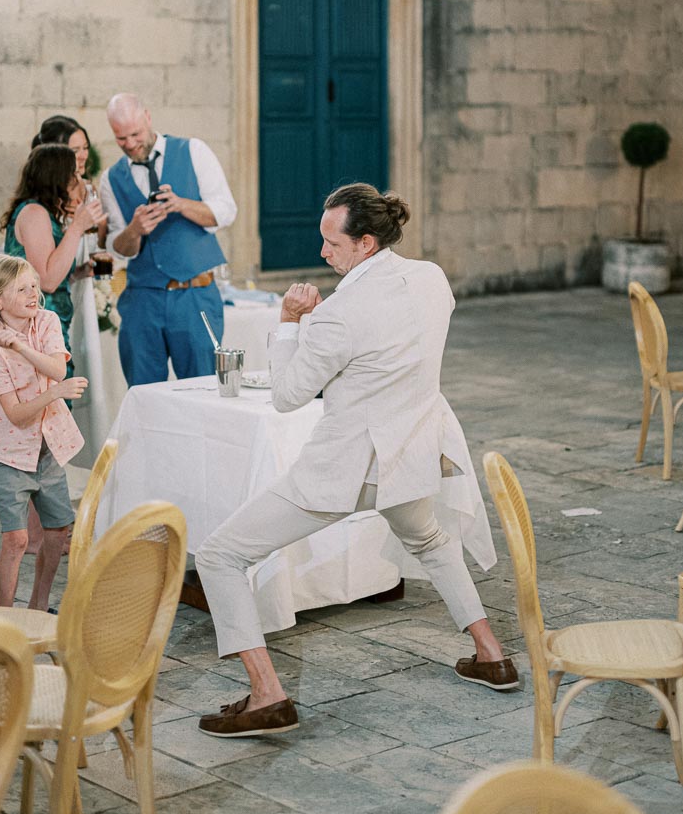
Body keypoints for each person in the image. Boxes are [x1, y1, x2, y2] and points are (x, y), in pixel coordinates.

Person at [195, 182, 517, 739]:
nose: (322, 253)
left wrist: (291, 320)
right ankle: (491, 654)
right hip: (410, 454)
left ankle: (267, 695)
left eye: (332, 243)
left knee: (219, 555)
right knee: (432, 542)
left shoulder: (340, 313)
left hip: (347, 469)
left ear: (365, 243)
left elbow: (289, 395)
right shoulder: (432, 279)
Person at [97, 93, 237, 386]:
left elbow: (226, 211)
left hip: (195, 296)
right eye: (121, 138)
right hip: (142, 300)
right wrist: (134, 229)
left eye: (135, 134)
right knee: (143, 393)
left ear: (148, 117)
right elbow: (115, 247)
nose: (131, 144)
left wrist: (181, 204)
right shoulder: (111, 178)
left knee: (203, 390)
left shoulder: (194, 150)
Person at [0, 255, 87, 610]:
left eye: (34, 285)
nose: (32, 293)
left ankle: (37, 607)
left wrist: (22, 346)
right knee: (16, 540)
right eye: (21, 289)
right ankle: (4, 621)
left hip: (47, 447)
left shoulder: (47, 321)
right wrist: (55, 392)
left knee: (57, 533)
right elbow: (18, 416)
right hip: (7, 455)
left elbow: (56, 366)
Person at [31, 115, 113, 467]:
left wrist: (83, 268)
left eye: (84, 148)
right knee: (45, 419)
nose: (81, 157)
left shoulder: (84, 190)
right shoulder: (36, 209)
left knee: (64, 409)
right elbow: (46, 278)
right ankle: (44, 512)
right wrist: (78, 226)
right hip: (43, 316)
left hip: (67, 306)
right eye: (72, 150)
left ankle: (55, 505)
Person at [1, 143, 106, 361]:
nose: (78, 181)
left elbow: (44, 273)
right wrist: (78, 226)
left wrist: (78, 273)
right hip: (35, 335)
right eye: (74, 174)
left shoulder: (41, 212)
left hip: (47, 331)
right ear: (58, 178)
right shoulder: (34, 213)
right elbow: (47, 282)